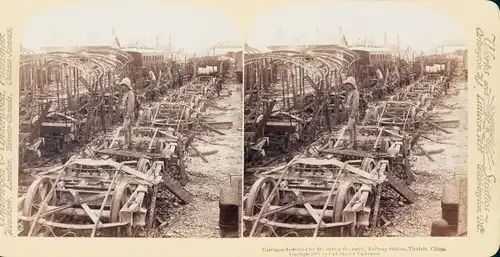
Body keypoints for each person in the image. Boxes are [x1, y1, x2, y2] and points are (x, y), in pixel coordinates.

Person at [342, 76, 360, 149]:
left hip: (353, 113)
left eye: (348, 84)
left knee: (350, 128)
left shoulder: (355, 92)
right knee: (353, 128)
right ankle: (354, 142)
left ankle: (351, 143)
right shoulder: (349, 92)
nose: (347, 86)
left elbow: (356, 104)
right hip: (350, 112)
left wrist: (352, 114)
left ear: (352, 84)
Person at [118, 78, 135, 150]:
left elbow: (131, 105)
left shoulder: (130, 93)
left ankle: (127, 144)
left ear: (127, 86)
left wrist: (128, 115)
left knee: (125, 129)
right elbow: (125, 104)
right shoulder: (125, 94)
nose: (122, 87)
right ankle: (129, 143)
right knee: (128, 129)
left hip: (128, 114)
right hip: (126, 113)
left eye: (123, 85)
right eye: (121, 85)